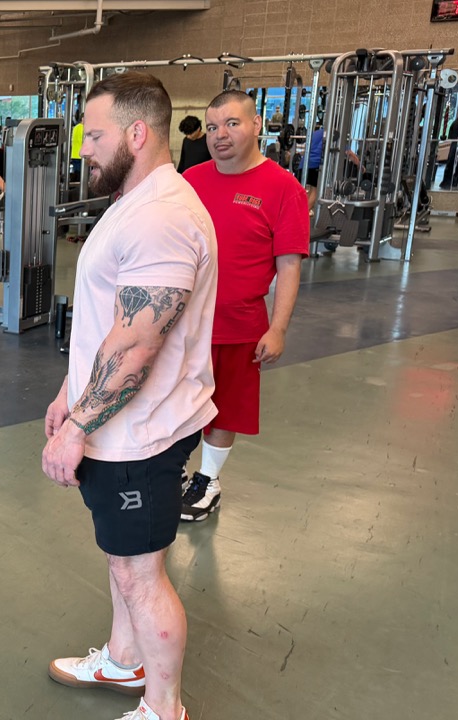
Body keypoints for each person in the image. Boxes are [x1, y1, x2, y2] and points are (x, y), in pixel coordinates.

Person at [43, 72, 217, 720]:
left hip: (139, 435)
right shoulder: (135, 203)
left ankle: (164, 708)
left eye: (95, 136)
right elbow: (110, 324)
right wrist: (70, 391)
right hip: (122, 425)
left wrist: (76, 428)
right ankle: (124, 661)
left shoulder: (162, 216)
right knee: (124, 562)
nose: (85, 148)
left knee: (139, 574)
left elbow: (139, 345)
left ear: (137, 134)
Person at [179, 90, 309, 523]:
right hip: (182, 323)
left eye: (232, 123)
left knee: (226, 406)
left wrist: (278, 328)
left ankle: (208, 481)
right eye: (212, 127)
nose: (220, 135)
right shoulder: (190, 181)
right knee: (175, 401)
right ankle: (173, 470)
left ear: (256, 125)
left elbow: (289, 264)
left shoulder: (283, 188)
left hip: (239, 325)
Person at [439, 113, 458, 189]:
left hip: (452, 143)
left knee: (450, 164)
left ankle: (446, 182)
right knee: (450, 163)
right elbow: (455, 136)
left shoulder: (455, 123)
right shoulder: (457, 124)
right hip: (453, 144)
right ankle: (447, 182)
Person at [303, 124, 324, 212]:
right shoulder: (333, 134)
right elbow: (348, 152)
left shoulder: (315, 133)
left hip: (303, 164)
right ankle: (303, 214)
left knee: (309, 191)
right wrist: (360, 165)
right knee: (315, 191)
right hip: (315, 165)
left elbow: (306, 147)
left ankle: (301, 211)